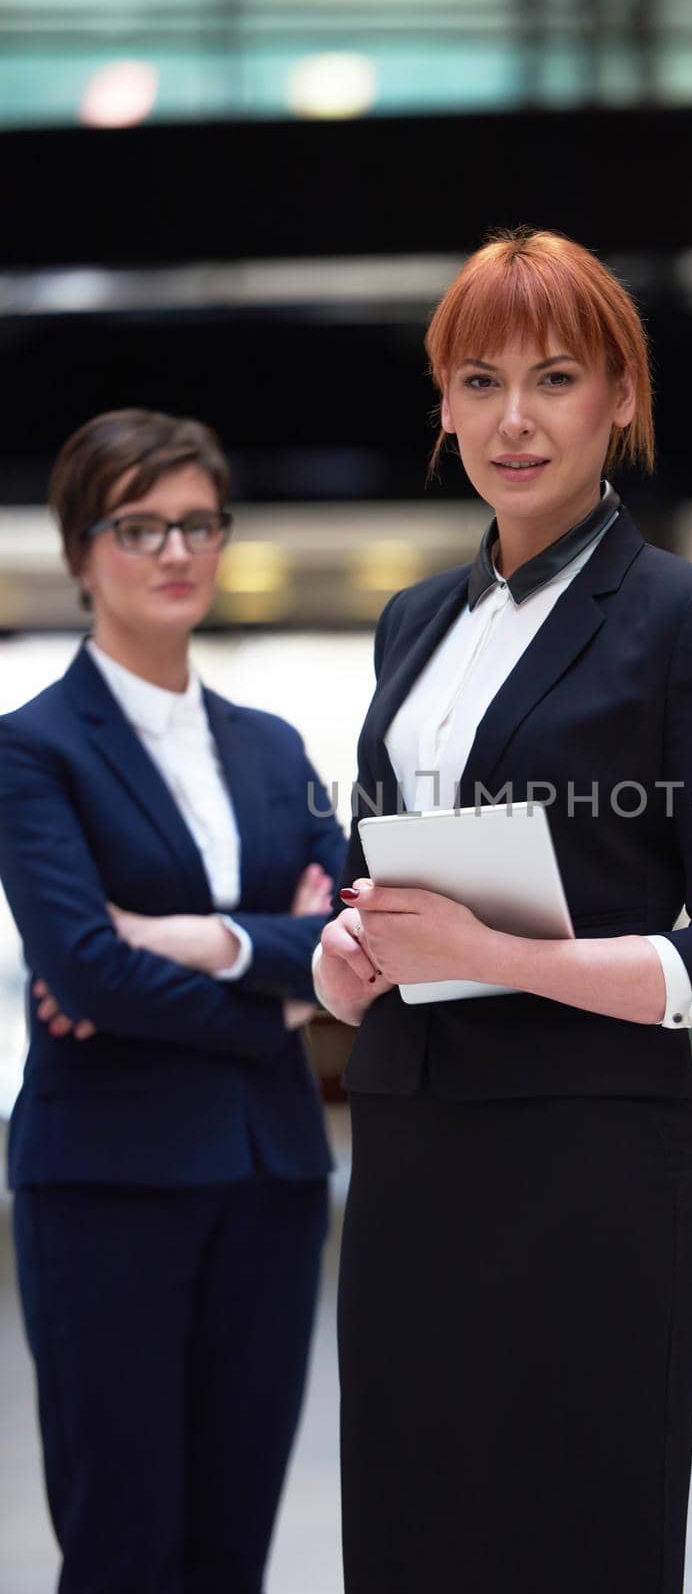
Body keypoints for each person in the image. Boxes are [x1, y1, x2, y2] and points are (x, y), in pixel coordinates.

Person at [313, 228, 692, 1594]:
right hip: (411, 1144)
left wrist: (497, 956)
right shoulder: (413, 622)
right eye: (478, 381)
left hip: (586, 1160)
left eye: (556, 378)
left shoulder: (690, 622)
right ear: (443, 405)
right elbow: (379, 867)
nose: (512, 420)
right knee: (412, 1527)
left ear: (622, 399)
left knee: (573, 1531)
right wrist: (354, 954)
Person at [0, 409, 347, 1593]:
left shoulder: (273, 744)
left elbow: (349, 932)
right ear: (81, 547)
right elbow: (86, 968)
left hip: (272, 1181)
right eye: (140, 526)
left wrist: (198, 942)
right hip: (107, 1188)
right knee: (124, 1541)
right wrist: (280, 996)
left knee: (231, 1541)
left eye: (198, 523)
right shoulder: (32, 750)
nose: (176, 551)